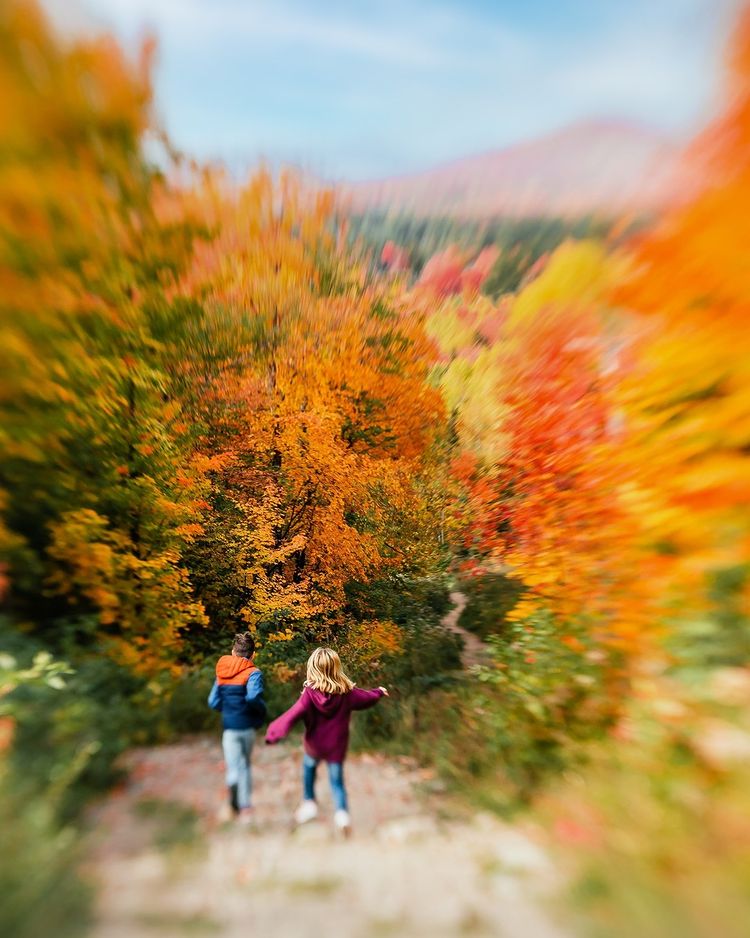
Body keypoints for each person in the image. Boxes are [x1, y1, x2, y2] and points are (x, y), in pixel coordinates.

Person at [265, 646, 388, 834]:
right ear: (336, 668)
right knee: (336, 782)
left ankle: (309, 804)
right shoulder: (347, 693)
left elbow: (292, 714)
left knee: (308, 770)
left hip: (314, 745)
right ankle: (342, 816)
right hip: (336, 747)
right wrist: (378, 691)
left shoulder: (309, 695)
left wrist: (275, 732)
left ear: (313, 668)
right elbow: (366, 698)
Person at [208, 631, 266, 824]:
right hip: (247, 726)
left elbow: (212, 701)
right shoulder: (253, 673)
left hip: (230, 727)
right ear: (253, 654)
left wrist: (227, 710)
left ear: (233, 652)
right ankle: (246, 807)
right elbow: (252, 697)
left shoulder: (221, 673)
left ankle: (232, 791)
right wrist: (261, 710)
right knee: (246, 765)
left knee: (233, 766)